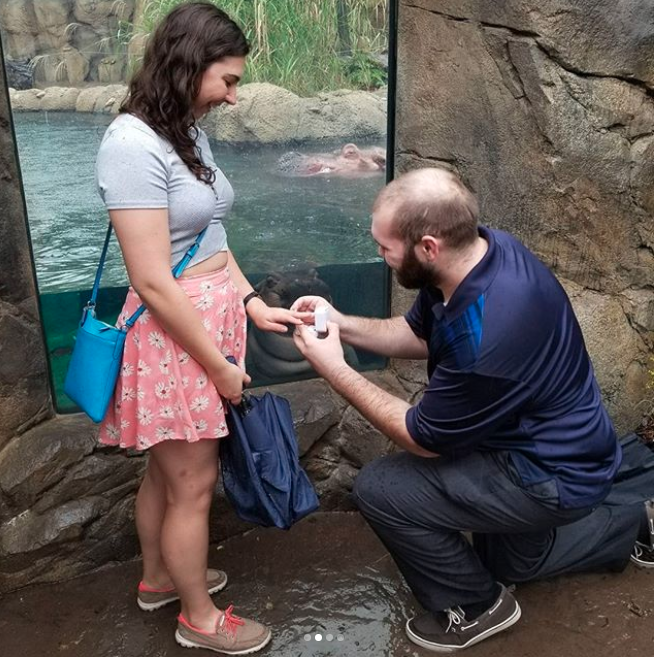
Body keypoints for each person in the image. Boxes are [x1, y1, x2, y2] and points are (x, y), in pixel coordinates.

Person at [292, 167, 654, 652]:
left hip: (548, 472)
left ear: (428, 247)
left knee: (381, 488)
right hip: (544, 444)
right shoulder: (483, 250)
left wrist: (333, 369)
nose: (379, 256)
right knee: (513, 565)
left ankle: (478, 608)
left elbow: (421, 439)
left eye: (385, 247)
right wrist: (340, 323)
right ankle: (638, 520)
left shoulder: (490, 335)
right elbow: (417, 333)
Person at [95, 3, 307, 653]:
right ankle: (199, 617)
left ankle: (160, 576)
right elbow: (154, 279)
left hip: (209, 320)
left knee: (167, 473)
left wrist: (249, 302)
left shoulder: (185, 125)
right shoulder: (131, 144)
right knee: (191, 481)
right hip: (174, 335)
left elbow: (211, 230)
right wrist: (217, 363)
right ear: (189, 67)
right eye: (229, 80)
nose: (235, 96)